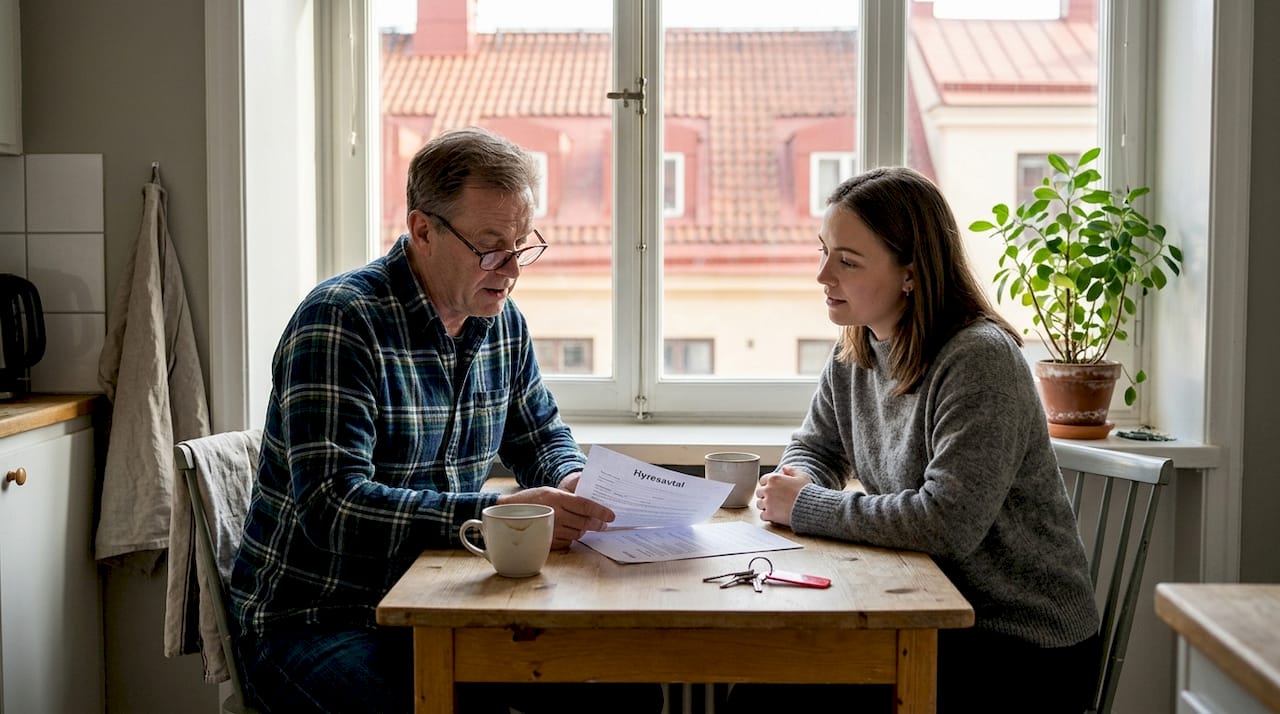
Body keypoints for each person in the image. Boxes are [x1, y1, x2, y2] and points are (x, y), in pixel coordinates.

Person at [229, 127, 662, 714]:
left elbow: (541, 436)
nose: (511, 269)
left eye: (522, 245)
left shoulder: (500, 322)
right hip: (318, 616)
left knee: (620, 688)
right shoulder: (341, 322)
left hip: (444, 598)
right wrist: (489, 517)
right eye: (490, 247)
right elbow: (331, 508)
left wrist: (570, 482)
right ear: (423, 229)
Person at [731, 167, 1101, 713]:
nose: (822, 275)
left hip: (1020, 642)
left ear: (910, 273)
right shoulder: (856, 348)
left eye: (847, 261)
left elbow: (946, 523)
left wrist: (806, 506)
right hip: (929, 612)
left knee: (769, 698)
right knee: (762, 684)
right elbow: (817, 446)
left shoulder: (979, 359)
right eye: (824, 251)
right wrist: (802, 477)